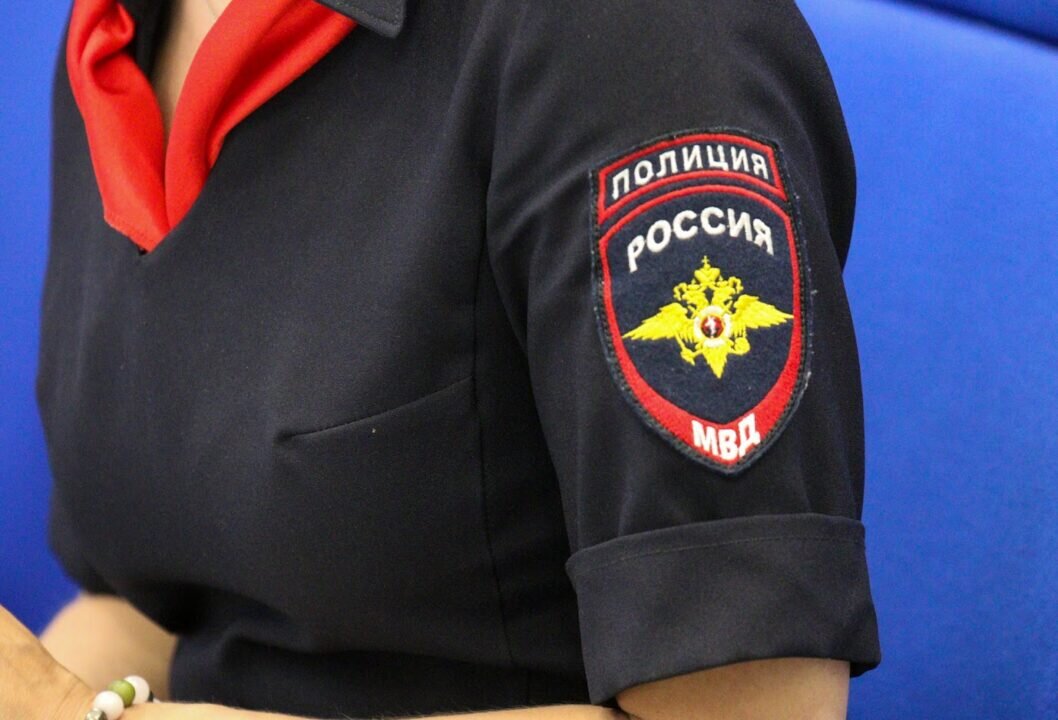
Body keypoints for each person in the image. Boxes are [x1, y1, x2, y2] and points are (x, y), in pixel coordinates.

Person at [4, 0, 881, 717]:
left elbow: (758, 716)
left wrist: (74, 717)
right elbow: (155, 614)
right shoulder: (122, 31)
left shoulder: (633, 37)